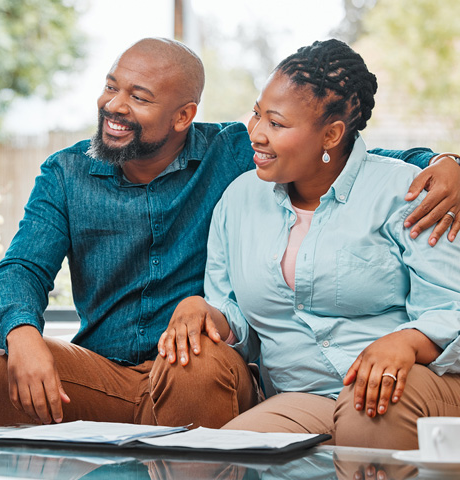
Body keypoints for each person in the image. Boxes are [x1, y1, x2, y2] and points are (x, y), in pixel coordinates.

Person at [0, 37, 460, 428]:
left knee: (195, 361)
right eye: (111, 86)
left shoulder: (235, 155)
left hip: (201, 370)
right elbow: (22, 267)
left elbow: (346, 157)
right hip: (108, 370)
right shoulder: (67, 173)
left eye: (138, 98)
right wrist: (21, 333)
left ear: (184, 115)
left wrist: (445, 163)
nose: (113, 106)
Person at [160, 39, 460, 449]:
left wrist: (406, 341)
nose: (256, 133)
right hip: (304, 398)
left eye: (277, 124)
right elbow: (240, 322)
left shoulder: (404, 193)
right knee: (216, 457)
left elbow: (450, 308)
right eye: (256, 114)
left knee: (369, 408)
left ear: (332, 134)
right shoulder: (239, 199)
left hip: (410, 383)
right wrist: (206, 311)